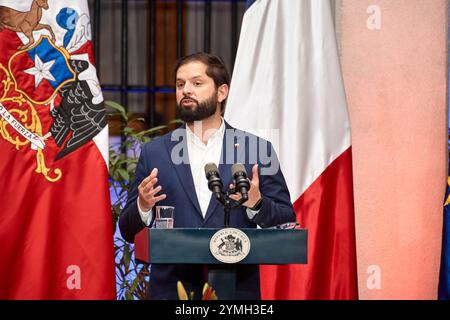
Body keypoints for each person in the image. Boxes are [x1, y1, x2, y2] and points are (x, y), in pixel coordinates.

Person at [119, 52, 296, 300]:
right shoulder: (155, 153)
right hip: (172, 291)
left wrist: (257, 203)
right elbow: (127, 230)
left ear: (221, 92)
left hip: (235, 293)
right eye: (180, 84)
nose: (186, 90)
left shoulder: (256, 149)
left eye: (197, 83)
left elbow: (286, 221)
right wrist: (143, 206)